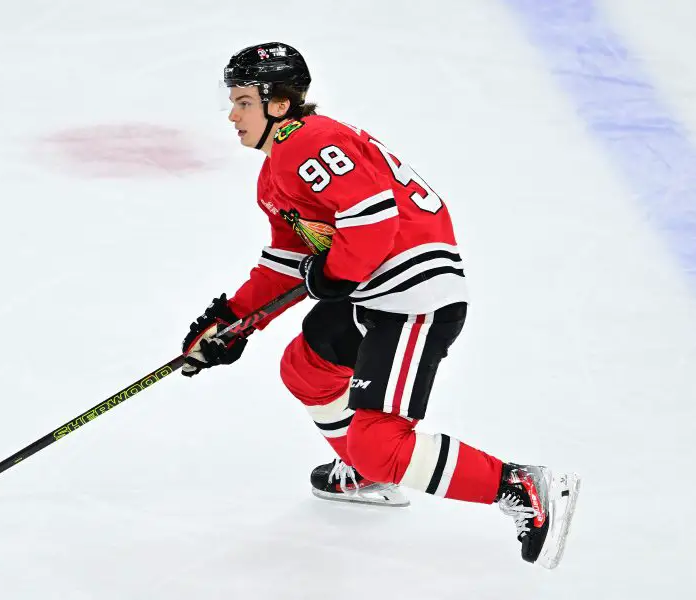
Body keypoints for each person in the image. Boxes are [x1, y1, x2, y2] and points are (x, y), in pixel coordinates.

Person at [180, 42, 580, 570]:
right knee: (306, 366)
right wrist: (232, 323)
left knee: (379, 441)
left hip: (413, 297)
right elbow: (286, 266)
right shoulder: (277, 172)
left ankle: (520, 486)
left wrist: (332, 274)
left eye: (243, 102)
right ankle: (368, 472)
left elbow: (372, 223)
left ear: (278, 103)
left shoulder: (310, 142)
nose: (232, 115)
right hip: (375, 291)